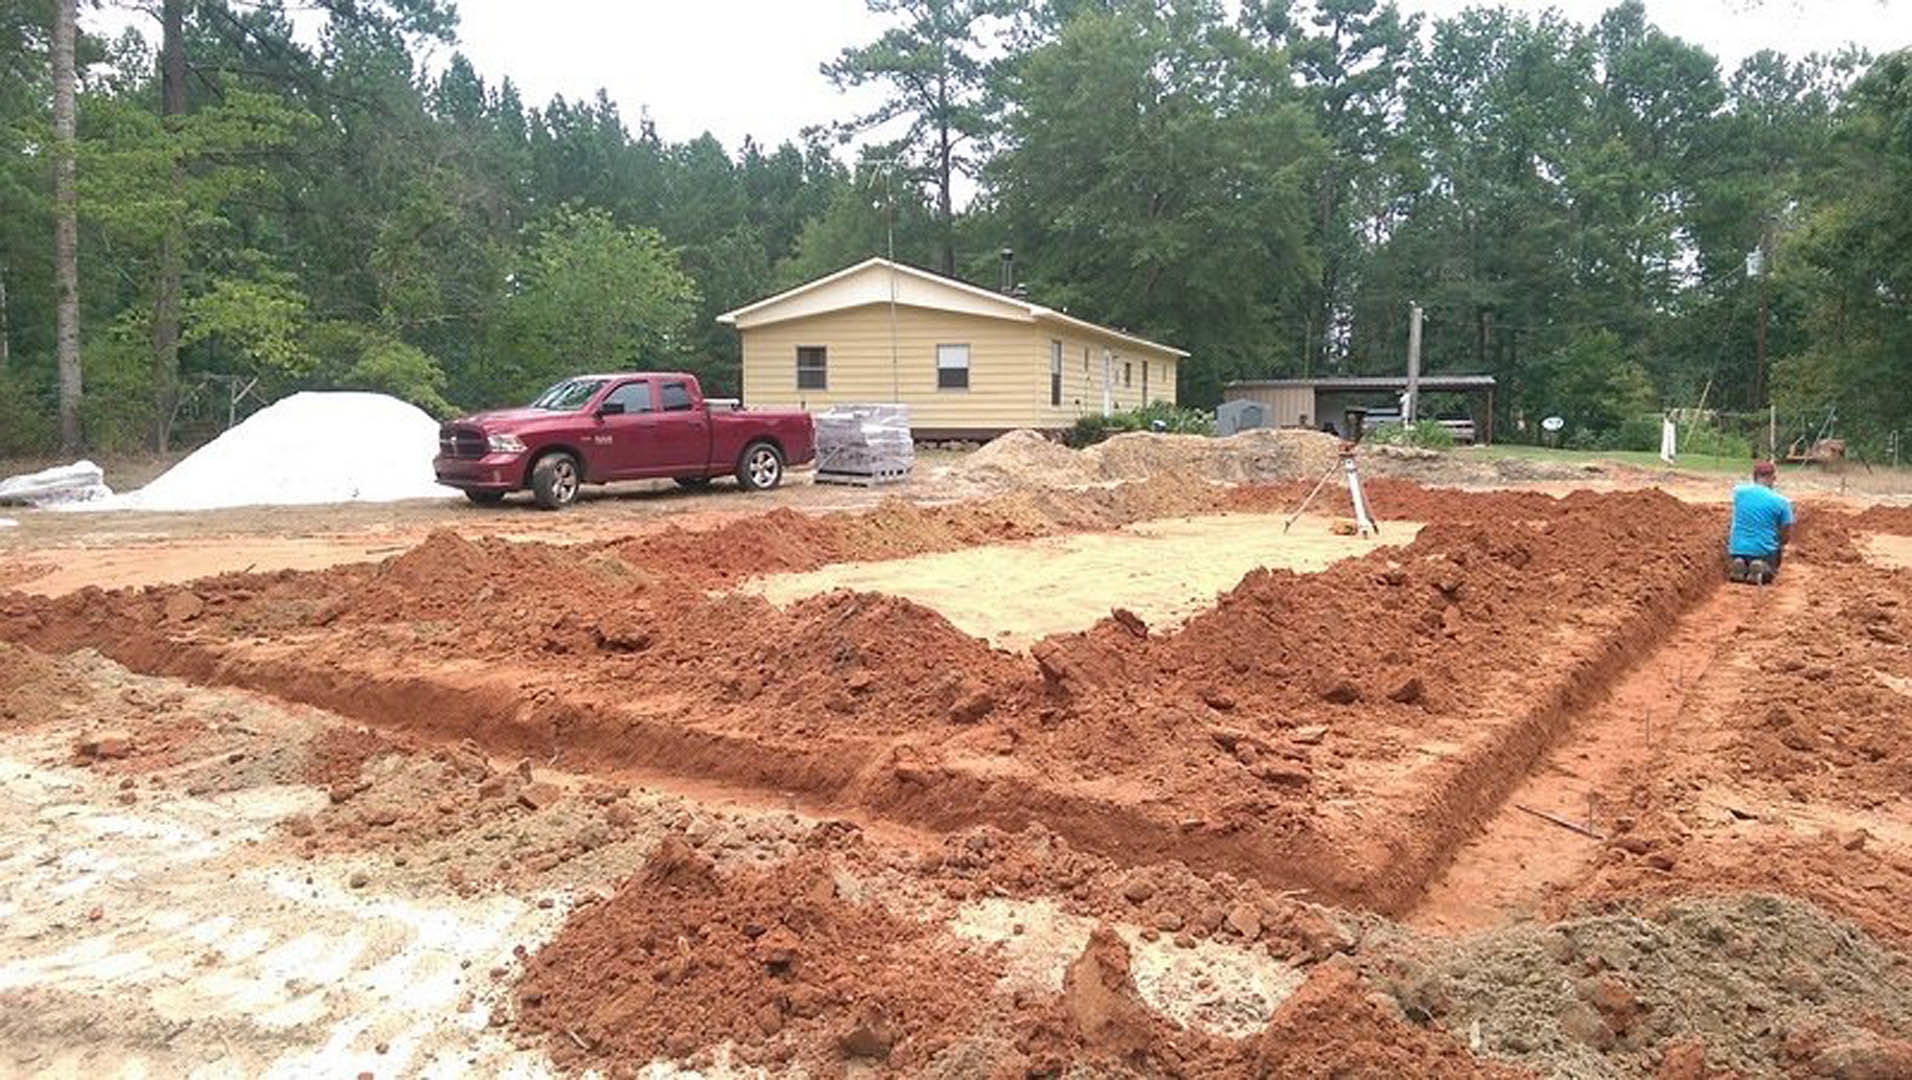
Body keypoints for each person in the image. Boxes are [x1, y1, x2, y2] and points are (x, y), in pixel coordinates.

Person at [1727, 460, 1794, 584]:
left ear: (1754, 477)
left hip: (1737, 548)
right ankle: (1762, 568)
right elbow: (1786, 533)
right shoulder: (1782, 502)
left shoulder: (1738, 492)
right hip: (1763, 551)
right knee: (1772, 560)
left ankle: (1740, 563)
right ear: (1773, 478)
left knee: (1741, 551)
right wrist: (1780, 543)